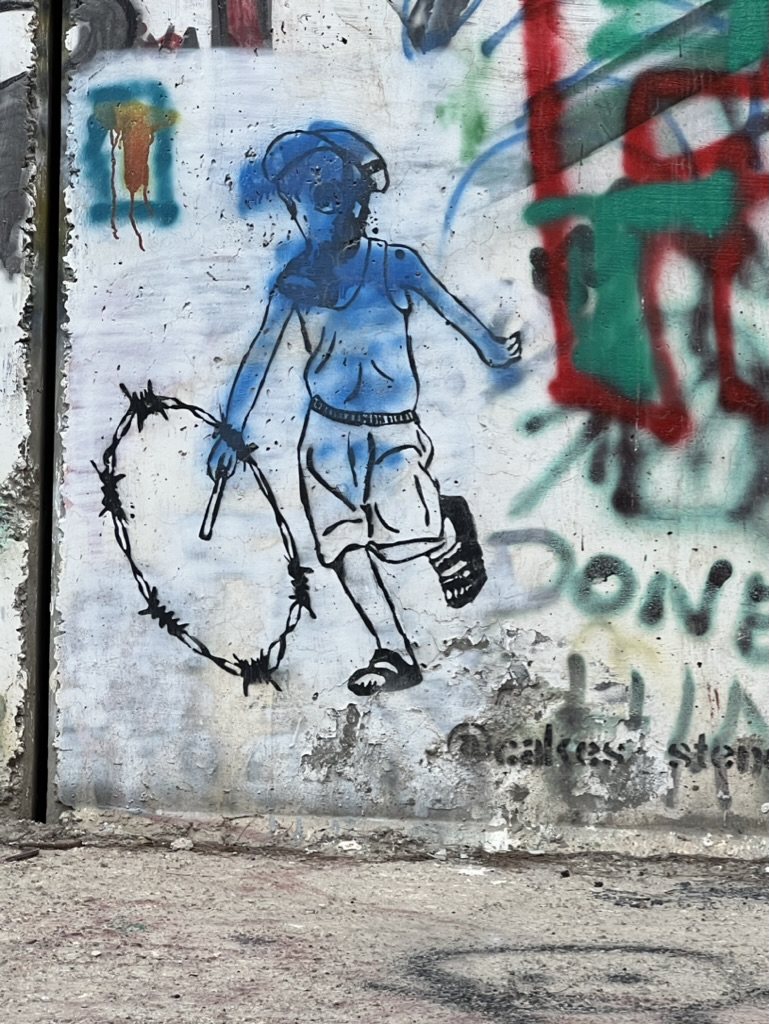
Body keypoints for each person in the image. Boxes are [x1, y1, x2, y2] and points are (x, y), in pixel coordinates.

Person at [208, 125, 522, 696]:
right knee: (342, 546)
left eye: (343, 198)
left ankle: (446, 525)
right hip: (324, 438)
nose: (333, 214)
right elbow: (258, 355)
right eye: (314, 203)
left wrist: (494, 349)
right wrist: (230, 432)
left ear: (363, 199)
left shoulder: (395, 264)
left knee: (404, 540)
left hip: (391, 435)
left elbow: (452, 311)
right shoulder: (297, 283)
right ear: (297, 211)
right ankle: (393, 652)